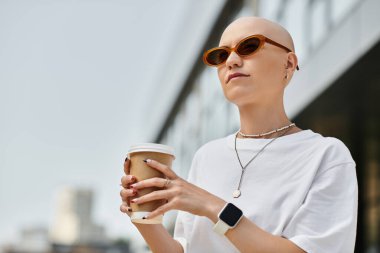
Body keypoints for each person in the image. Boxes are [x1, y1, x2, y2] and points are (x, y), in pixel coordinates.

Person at [119, 16, 358, 253]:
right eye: (221, 55)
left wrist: (213, 206)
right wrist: (141, 213)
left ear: (288, 64)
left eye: (249, 46)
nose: (231, 61)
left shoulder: (326, 155)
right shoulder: (207, 156)